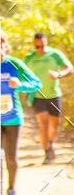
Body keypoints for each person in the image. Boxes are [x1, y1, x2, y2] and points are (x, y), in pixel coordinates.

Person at [0, 33, 40, 195]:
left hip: (13, 118)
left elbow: (37, 83)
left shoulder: (14, 64)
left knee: (11, 157)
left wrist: (20, 84)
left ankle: (12, 191)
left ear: (6, 47)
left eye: (1, 46)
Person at [24, 32, 73, 163]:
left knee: (55, 124)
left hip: (54, 94)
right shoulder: (29, 58)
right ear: (34, 45)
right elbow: (21, 73)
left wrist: (59, 75)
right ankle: (46, 152)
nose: (40, 49)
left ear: (46, 43)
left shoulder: (55, 54)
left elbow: (69, 68)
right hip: (37, 95)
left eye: (43, 46)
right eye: (37, 47)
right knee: (43, 123)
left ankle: (51, 144)